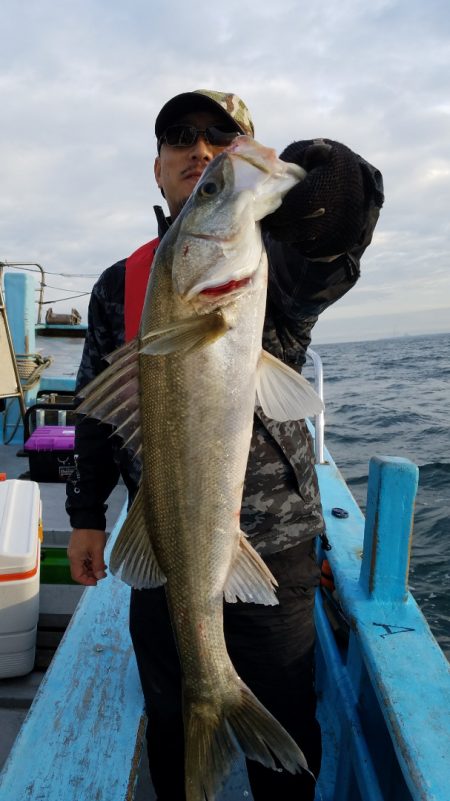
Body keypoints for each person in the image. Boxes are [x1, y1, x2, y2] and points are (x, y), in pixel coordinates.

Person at [66, 89, 384, 800]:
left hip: (274, 551)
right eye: (180, 136)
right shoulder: (119, 284)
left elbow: (339, 230)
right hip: (166, 542)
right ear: (156, 167)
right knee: (175, 727)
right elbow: (94, 408)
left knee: (289, 734)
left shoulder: (276, 261)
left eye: (222, 137)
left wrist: (324, 178)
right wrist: (86, 511)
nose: (200, 148)